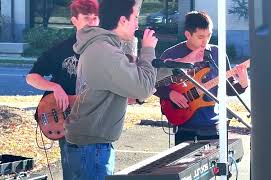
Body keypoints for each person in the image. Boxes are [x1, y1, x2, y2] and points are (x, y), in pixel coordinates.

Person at [63, 0, 158, 179]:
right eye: (135, 17)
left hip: (92, 143)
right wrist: (148, 50)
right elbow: (144, 88)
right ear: (122, 20)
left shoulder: (102, 47)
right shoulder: (105, 51)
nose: (137, 23)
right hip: (92, 146)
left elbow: (122, 89)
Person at [25, 0, 99, 179]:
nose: (92, 22)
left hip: (96, 122)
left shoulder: (107, 50)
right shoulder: (61, 49)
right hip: (66, 121)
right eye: (86, 18)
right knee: (72, 173)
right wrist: (55, 87)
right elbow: (31, 77)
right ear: (74, 20)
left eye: (95, 18)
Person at [155, 11, 249, 145]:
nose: (205, 41)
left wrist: (243, 85)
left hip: (213, 124)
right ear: (188, 34)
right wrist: (170, 93)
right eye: (200, 37)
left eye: (209, 35)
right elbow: (153, 84)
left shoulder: (217, 53)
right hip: (184, 123)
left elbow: (228, 88)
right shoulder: (171, 54)